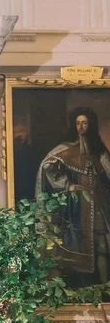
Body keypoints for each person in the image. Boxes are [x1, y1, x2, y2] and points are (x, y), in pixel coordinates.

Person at [36, 106, 110, 286]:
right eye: (78, 123)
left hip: (98, 203)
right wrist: (67, 185)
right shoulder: (66, 148)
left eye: (84, 123)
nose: (81, 127)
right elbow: (47, 167)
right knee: (76, 246)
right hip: (77, 207)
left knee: (101, 246)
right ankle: (81, 288)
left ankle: (104, 287)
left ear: (91, 125)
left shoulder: (98, 150)